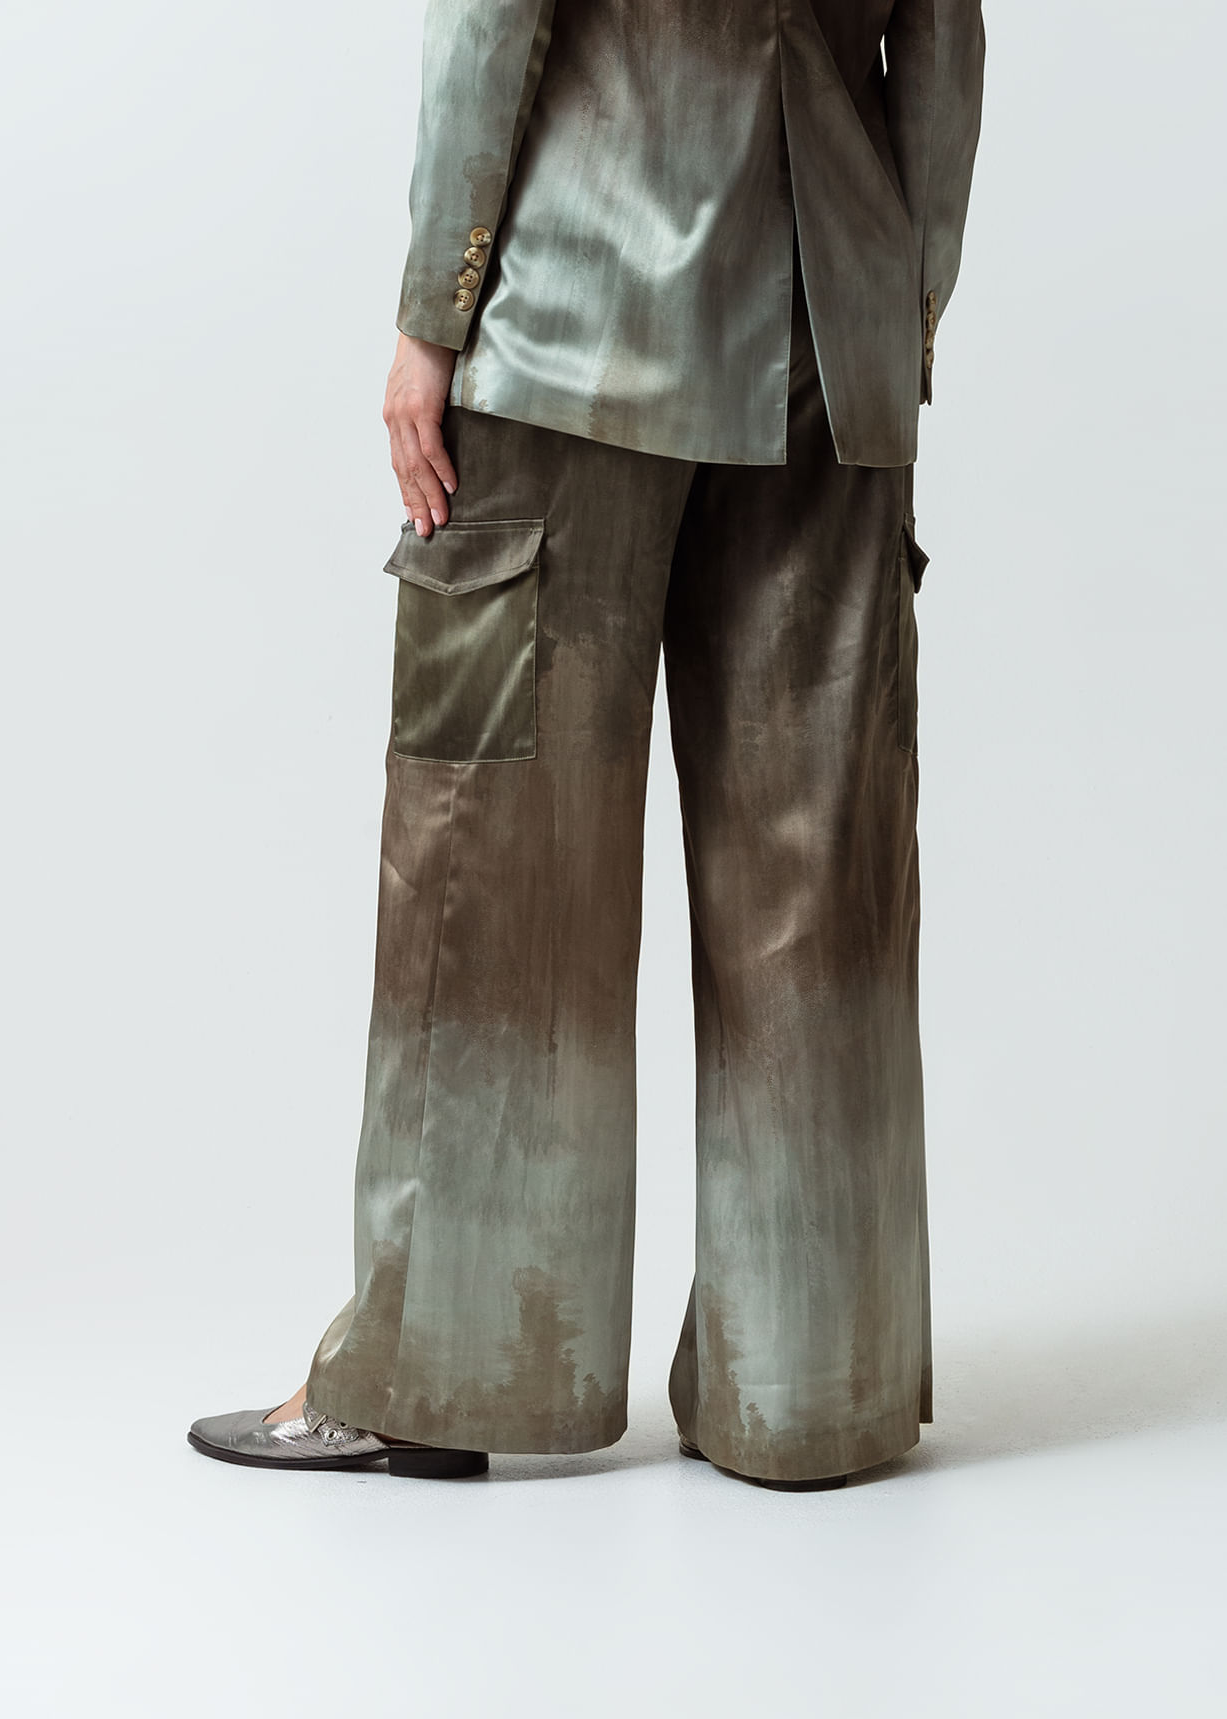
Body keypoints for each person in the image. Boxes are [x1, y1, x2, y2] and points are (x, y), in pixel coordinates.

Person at [188, 0, 986, 1492]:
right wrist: (904, 311)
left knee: (493, 858)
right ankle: (812, 1389)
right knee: (822, 872)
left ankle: (445, 1378)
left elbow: (492, 22)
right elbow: (943, 43)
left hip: (576, 315)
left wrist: (431, 318)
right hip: (833, 339)